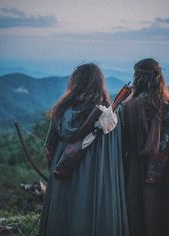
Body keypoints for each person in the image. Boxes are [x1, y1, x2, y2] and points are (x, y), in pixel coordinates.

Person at [39, 63, 129, 236]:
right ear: (99, 84)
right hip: (99, 185)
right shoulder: (110, 118)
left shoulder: (62, 111)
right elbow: (118, 153)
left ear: (75, 83)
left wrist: (56, 172)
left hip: (63, 180)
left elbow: (50, 148)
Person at [121, 58, 169, 236]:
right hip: (167, 184)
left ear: (138, 79)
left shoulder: (127, 109)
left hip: (136, 179)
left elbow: (120, 148)